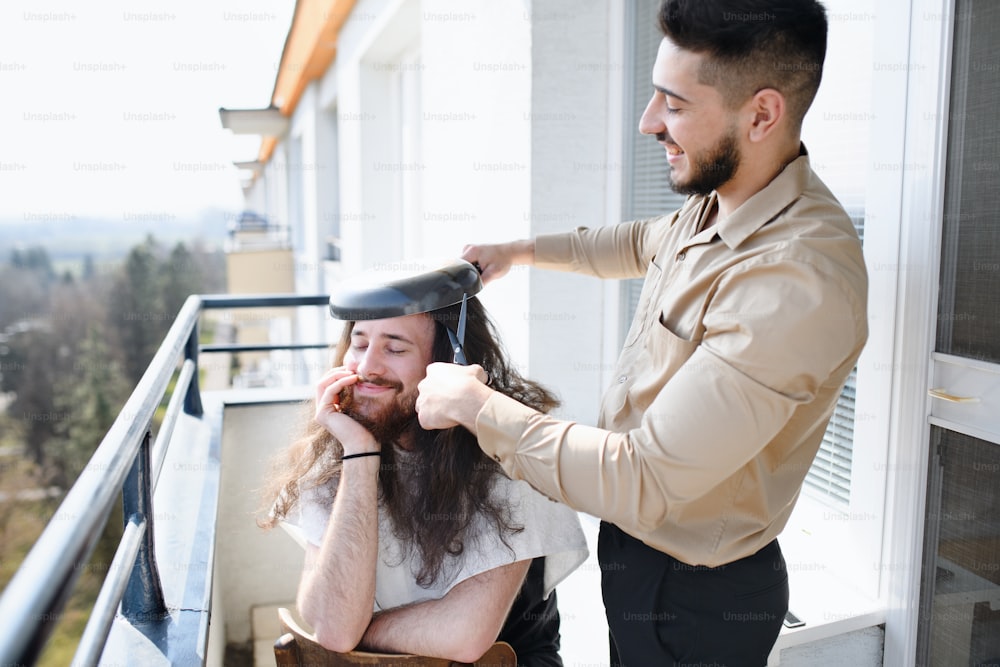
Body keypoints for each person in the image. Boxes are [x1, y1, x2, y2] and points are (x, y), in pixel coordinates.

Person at [414, 1, 869, 665]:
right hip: (642, 555)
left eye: (674, 104)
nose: (648, 121)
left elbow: (647, 478)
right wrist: (521, 250)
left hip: (698, 597)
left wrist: (475, 406)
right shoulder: (722, 199)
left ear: (763, 114)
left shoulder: (795, 282)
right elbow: (636, 243)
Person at [260, 294, 588, 665]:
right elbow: (335, 629)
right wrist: (360, 453)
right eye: (360, 343)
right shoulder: (338, 442)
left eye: (394, 349)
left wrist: (359, 635)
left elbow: (463, 636)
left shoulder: (508, 452)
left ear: (449, 365)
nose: (367, 366)